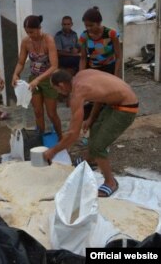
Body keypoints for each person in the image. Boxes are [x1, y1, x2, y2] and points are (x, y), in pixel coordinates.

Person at [43, 69, 138, 197]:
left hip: (127, 108)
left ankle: (111, 182)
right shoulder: (82, 74)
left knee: (98, 146)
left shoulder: (78, 93)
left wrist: (52, 152)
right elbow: (101, 94)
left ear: (61, 85)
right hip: (116, 102)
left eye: (56, 89)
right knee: (96, 129)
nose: (57, 93)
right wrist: (91, 119)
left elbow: (73, 134)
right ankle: (90, 159)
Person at [12, 15, 62, 138]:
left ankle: (61, 137)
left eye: (32, 31)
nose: (30, 35)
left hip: (49, 79)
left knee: (51, 113)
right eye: (27, 32)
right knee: (38, 112)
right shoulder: (26, 42)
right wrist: (15, 74)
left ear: (39, 28)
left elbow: (54, 66)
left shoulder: (48, 40)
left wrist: (38, 80)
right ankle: (40, 137)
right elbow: (21, 62)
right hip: (34, 79)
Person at [79, 6, 122, 77]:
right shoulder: (84, 36)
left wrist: (116, 75)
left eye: (91, 25)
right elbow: (83, 58)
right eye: (86, 25)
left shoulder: (111, 34)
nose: (88, 28)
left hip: (110, 68)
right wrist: (81, 75)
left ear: (99, 23)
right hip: (93, 70)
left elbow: (118, 57)